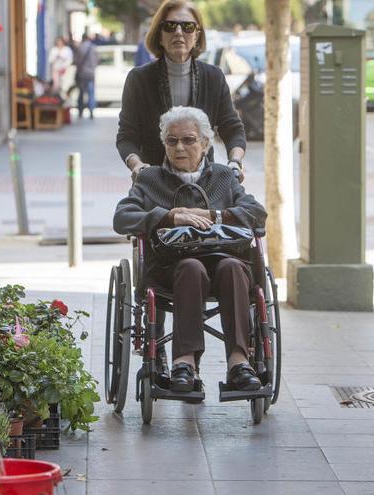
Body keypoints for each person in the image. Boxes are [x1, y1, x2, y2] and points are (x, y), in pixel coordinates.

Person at [113, 106, 267, 393]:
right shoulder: (150, 179)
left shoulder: (223, 177)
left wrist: (215, 216)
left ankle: (239, 362)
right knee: (191, 268)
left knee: (234, 267)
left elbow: (257, 213)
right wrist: (169, 215)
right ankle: (184, 362)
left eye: (189, 140)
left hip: (224, 260)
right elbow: (122, 218)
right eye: (172, 141)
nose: (180, 147)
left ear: (206, 144)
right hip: (171, 269)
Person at [116, 0, 246, 183]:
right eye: (169, 26)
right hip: (154, 184)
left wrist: (235, 162)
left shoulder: (214, 77)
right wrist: (137, 166)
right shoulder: (139, 79)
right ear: (159, 35)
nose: (178, 32)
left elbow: (232, 129)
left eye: (187, 26)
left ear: (197, 35)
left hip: (205, 185)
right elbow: (126, 136)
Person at [74, 33, 98, 119]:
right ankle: (91, 111)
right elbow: (96, 61)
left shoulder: (80, 48)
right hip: (91, 73)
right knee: (91, 93)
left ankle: (80, 110)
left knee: (81, 93)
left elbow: (76, 61)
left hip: (82, 73)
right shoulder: (93, 48)